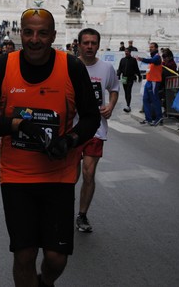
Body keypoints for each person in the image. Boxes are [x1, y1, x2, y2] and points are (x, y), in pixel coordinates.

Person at [0, 7, 100, 287]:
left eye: (42, 33)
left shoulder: (72, 67)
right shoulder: (4, 65)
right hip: (17, 176)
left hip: (59, 174)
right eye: (28, 32)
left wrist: (71, 140)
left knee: (56, 258)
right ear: (21, 33)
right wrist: (17, 125)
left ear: (53, 35)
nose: (34, 39)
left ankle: (45, 282)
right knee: (24, 254)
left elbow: (91, 116)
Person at [75, 28, 119, 233]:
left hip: (96, 128)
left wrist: (110, 105)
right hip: (71, 129)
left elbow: (114, 89)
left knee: (89, 173)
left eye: (93, 43)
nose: (90, 46)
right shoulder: (69, 66)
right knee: (70, 175)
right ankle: (63, 209)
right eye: (86, 43)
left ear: (98, 45)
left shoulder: (107, 68)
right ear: (79, 44)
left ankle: (82, 214)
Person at [137, 42, 163, 126]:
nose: (150, 48)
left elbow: (151, 61)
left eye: (152, 47)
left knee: (155, 100)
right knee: (145, 100)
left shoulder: (157, 57)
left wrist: (142, 59)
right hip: (149, 81)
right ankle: (148, 119)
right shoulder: (153, 57)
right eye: (150, 47)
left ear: (156, 48)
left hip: (154, 81)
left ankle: (159, 117)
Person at [116, 48, 141, 112]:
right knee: (125, 92)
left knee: (128, 91)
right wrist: (118, 75)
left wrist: (139, 76)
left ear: (130, 52)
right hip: (124, 78)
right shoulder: (122, 60)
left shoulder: (133, 60)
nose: (126, 52)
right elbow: (120, 69)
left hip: (130, 77)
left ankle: (128, 105)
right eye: (125, 51)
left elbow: (136, 69)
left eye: (127, 51)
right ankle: (128, 104)